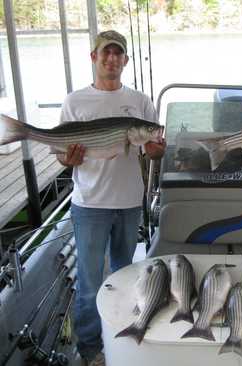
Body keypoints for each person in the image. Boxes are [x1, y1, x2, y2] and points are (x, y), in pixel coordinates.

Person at [56, 30, 165, 366]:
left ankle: (121, 336)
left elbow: (156, 147)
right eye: (106, 53)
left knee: (125, 275)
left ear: (126, 61)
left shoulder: (140, 100)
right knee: (90, 283)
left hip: (129, 202)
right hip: (88, 204)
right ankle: (89, 349)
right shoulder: (75, 102)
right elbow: (63, 155)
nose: (112, 59)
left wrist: (154, 147)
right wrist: (68, 159)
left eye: (118, 54)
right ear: (94, 57)